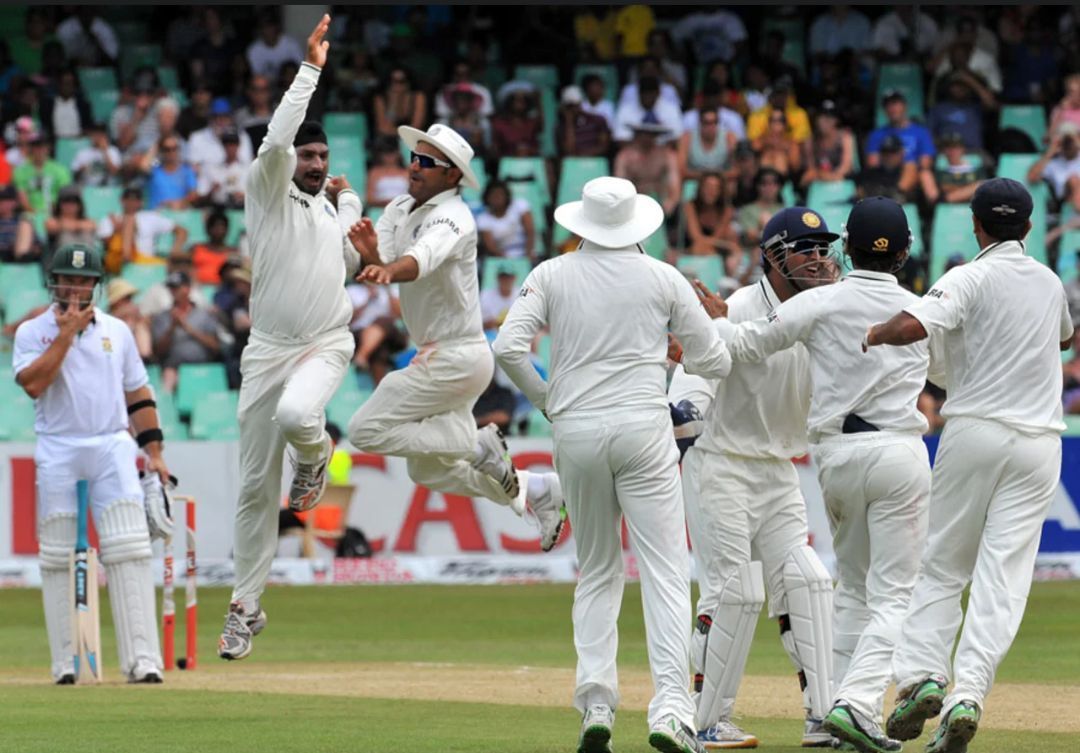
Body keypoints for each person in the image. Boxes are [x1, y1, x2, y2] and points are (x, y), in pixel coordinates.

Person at [493, 176, 733, 753]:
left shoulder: (551, 272)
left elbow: (506, 348)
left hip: (575, 429)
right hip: (642, 429)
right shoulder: (662, 276)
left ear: (582, 223)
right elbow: (716, 360)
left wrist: (549, 399)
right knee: (666, 573)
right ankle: (671, 710)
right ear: (636, 224)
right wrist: (676, 355)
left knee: (598, 569)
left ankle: (597, 703)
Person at [716, 198, 942, 753]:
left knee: (853, 591)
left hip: (836, 460)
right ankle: (856, 706)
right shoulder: (919, 310)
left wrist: (703, 319)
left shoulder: (821, 302)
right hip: (897, 453)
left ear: (846, 247)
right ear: (907, 251)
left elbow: (745, 344)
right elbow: (954, 374)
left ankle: (829, 721)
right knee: (894, 596)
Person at [866, 179, 1073, 753]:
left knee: (942, 566)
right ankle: (968, 695)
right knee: (1002, 579)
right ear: (1028, 229)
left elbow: (912, 327)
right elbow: (1065, 336)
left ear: (976, 226)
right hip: (1039, 444)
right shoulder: (1050, 281)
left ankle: (922, 677)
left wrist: (876, 332)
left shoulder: (968, 276)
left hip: (977, 430)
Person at [218, 15, 365, 663]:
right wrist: (310, 68)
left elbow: (350, 253)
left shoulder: (331, 210)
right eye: (308, 156)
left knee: (299, 414)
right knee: (253, 486)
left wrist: (352, 200)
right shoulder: (267, 189)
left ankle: (315, 452)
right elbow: (277, 138)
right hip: (268, 349)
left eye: (323, 158)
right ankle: (245, 606)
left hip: (327, 342)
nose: (315, 164)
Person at [669, 207, 840, 749]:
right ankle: (701, 721)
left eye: (822, 248)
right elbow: (691, 377)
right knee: (732, 591)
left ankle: (822, 717)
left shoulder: (830, 312)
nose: (817, 258)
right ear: (771, 257)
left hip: (777, 469)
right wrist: (684, 422)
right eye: (803, 249)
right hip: (719, 461)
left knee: (808, 581)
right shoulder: (738, 308)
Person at [346, 117, 565, 526]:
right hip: (445, 355)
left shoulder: (455, 217)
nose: (414, 166)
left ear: (451, 174)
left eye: (426, 162)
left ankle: (474, 442)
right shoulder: (399, 207)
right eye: (414, 158)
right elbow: (384, 264)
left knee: (364, 430)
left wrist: (387, 269)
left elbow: (417, 262)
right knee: (426, 469)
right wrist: (371, 255)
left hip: (455, 357)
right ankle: (535, 490)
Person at [13, 244, 170, 684]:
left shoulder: (117, 331)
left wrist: (154, 453)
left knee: (130, 549)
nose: (75, 288)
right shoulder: (32, 332)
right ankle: (66, 662)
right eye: (67, 280)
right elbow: (34, 385)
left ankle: (142, 660)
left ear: (96, 285)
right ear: (53, 283)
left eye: (84, 281)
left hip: (111, 444)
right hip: (59, 446)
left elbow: (138, 394)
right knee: (58, 555)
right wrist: (65, 334)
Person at [150, 270, 224, 392]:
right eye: (171, 288)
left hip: (202, 367)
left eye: (177, 287)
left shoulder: (204, 314)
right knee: (168, 380)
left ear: (188, 289)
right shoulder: (162, 317)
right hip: (173, 368)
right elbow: (158, 351)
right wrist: (172, 328)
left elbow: (215, 346)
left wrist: (188, 328)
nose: (173, 291)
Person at [98, 187, 189, 271]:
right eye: (128, 199)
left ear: (141, 202)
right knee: (130, 220)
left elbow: (181, 231)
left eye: (136, 199)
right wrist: (117, 231)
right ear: (122, 200)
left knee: (177, 265)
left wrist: (174, 252)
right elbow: (106, 245)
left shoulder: (150, 217)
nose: (132, 202)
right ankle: (128, 259)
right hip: (118, 261)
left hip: (144, 260)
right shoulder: (110, 219)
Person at [614, 123, 681, 222]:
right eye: (643, 134)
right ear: (636, 135)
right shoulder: (624, 157)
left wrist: (671, 201)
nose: (646, 138)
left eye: (651, 134)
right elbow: (620, 187)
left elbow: (674, 183)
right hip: (634, 203)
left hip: (661, 201)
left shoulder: (667, 155)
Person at [682, 172, 740, 270]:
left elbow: (717, 237)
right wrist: (728, 245)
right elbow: (696, 237)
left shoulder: (726, 210)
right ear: (700, 189)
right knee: (699, 247)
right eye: (707, 187)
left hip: (715, 250)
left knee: (731, 235)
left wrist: (726, 245)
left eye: (716, 188)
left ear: (720, 191)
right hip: (693, 248)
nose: (711, 191)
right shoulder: (690, 206)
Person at [13, 133, 72, 216]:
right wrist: (36, 214)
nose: (39, 150)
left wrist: (52, 212)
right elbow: (22, 198)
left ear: (48, 148)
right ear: (31, 148)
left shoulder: (60, 170)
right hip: (30, 214)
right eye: (36, 146)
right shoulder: (20, 171)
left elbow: (64, 196)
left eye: (42, 146)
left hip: (56, 214)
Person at [1026, 123, 1080, 213]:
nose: (1068, 143)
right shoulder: (1052, 163)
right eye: (1065, 140)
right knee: (1074, 180)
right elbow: (1032, 177)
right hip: (1065, 199)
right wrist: (1050, 151)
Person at [800, 100, 855, 188]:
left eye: (830, 117)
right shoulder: (811, 139)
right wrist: (820, 175)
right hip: (818, 180)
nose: (826, 121)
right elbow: (811, 169)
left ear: (836, 120)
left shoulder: (845, 137)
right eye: (822, 117)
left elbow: (846, 167)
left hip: (841, 181)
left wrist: (830, 176)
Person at [476, 180, 535, 260]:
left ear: (506, 196)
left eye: (500, 194)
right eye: (493, 195)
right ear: (487, 198)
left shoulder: (520, 205)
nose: (497, 198)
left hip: (526, 253)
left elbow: (530, 232)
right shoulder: (482, 219)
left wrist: (528, 254)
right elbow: (491, 247)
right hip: (501, 257)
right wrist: (508, 260)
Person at [677, 108, 735, 182]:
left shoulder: (729, 138)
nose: (710, 127)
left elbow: (735, 169)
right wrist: (705, 176)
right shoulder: (687, 138)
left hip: (721, 182)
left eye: (714, 122)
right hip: (694, 181)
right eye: (706, 122)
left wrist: (715, 177)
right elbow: (681, 169)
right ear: (700, 123)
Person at [196, 130, 249, 209]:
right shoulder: (213, 168)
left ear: (238, 145)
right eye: (227, 144)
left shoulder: (248, 169)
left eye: (233, 144)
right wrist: (212, 191)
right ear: (223, 146)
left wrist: (243, 195)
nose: (230, 147)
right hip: (218, 208)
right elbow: (200, 196)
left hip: (241, 208)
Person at [145, 136, 199, 210]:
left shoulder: (187, 171)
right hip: (155, 215)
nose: (171, 152)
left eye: (174, 148)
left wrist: (174, 203)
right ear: (161, 151)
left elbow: (193, 195)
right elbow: (143, 167)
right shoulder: (154, 171)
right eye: (167, 149)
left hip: (177, 216)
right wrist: (156, 146)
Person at [107, 278, 154, 362]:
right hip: (112, 357)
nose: (130, 302)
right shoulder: (105, 320)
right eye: (127, 298)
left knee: (140, 327)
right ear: (116, 301)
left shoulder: (136, 319)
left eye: (130, 298)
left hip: (136, 359)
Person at [934, 132, 988, 204]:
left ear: (962, 149)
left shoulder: (976, 169)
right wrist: (968, 189)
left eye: (956, 147)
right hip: (947, 206)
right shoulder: (941, 171)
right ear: (944, 150)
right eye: (948, 147)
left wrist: (955, 191)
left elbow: (982, 188)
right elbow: (943, 188)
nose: (952, 151)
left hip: (972, 205)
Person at [558, 85, 611, 158]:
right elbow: (569, 151)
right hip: (573, 164)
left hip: (594, 161)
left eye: (576, 105)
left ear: (580, 104)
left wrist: (583, 154)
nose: (573, 109)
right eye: (570, 106)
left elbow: (603, 147)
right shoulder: (560, 127)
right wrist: (569, 122)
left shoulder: (598, 120)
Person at [190, 211, 238, 284]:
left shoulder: (233, 252)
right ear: (208, 229)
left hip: (223, 291)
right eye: (215, 227)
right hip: (198, 289)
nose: (219, 231)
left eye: (222, 227)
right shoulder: (196, 249)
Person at [71, 122, 122, 187]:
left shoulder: (113, 151)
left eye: (100, 134)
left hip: (109, 188)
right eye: (95, 134)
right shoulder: (82, 153)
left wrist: (104, 151)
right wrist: (81, 170)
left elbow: (115, 172)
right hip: (88, 188)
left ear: (105, 136)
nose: (97, 137)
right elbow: (74, 176)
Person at [365, 137, 410, 209]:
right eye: (385, 153)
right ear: (380, 155)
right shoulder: (374, 172)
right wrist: (387, 202)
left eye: (392, 152)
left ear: (398, 153)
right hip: (381, 210)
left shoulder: (407, 172)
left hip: (404, 209)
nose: (389, 157)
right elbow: (369, 199)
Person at [0, 183, 38, 263]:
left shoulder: (22, 220)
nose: (3, 203)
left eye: (7, 200)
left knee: (25, 224)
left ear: (15, 202)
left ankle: (21, 258)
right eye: (1, 200)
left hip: (15, 258)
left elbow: (37, 247)